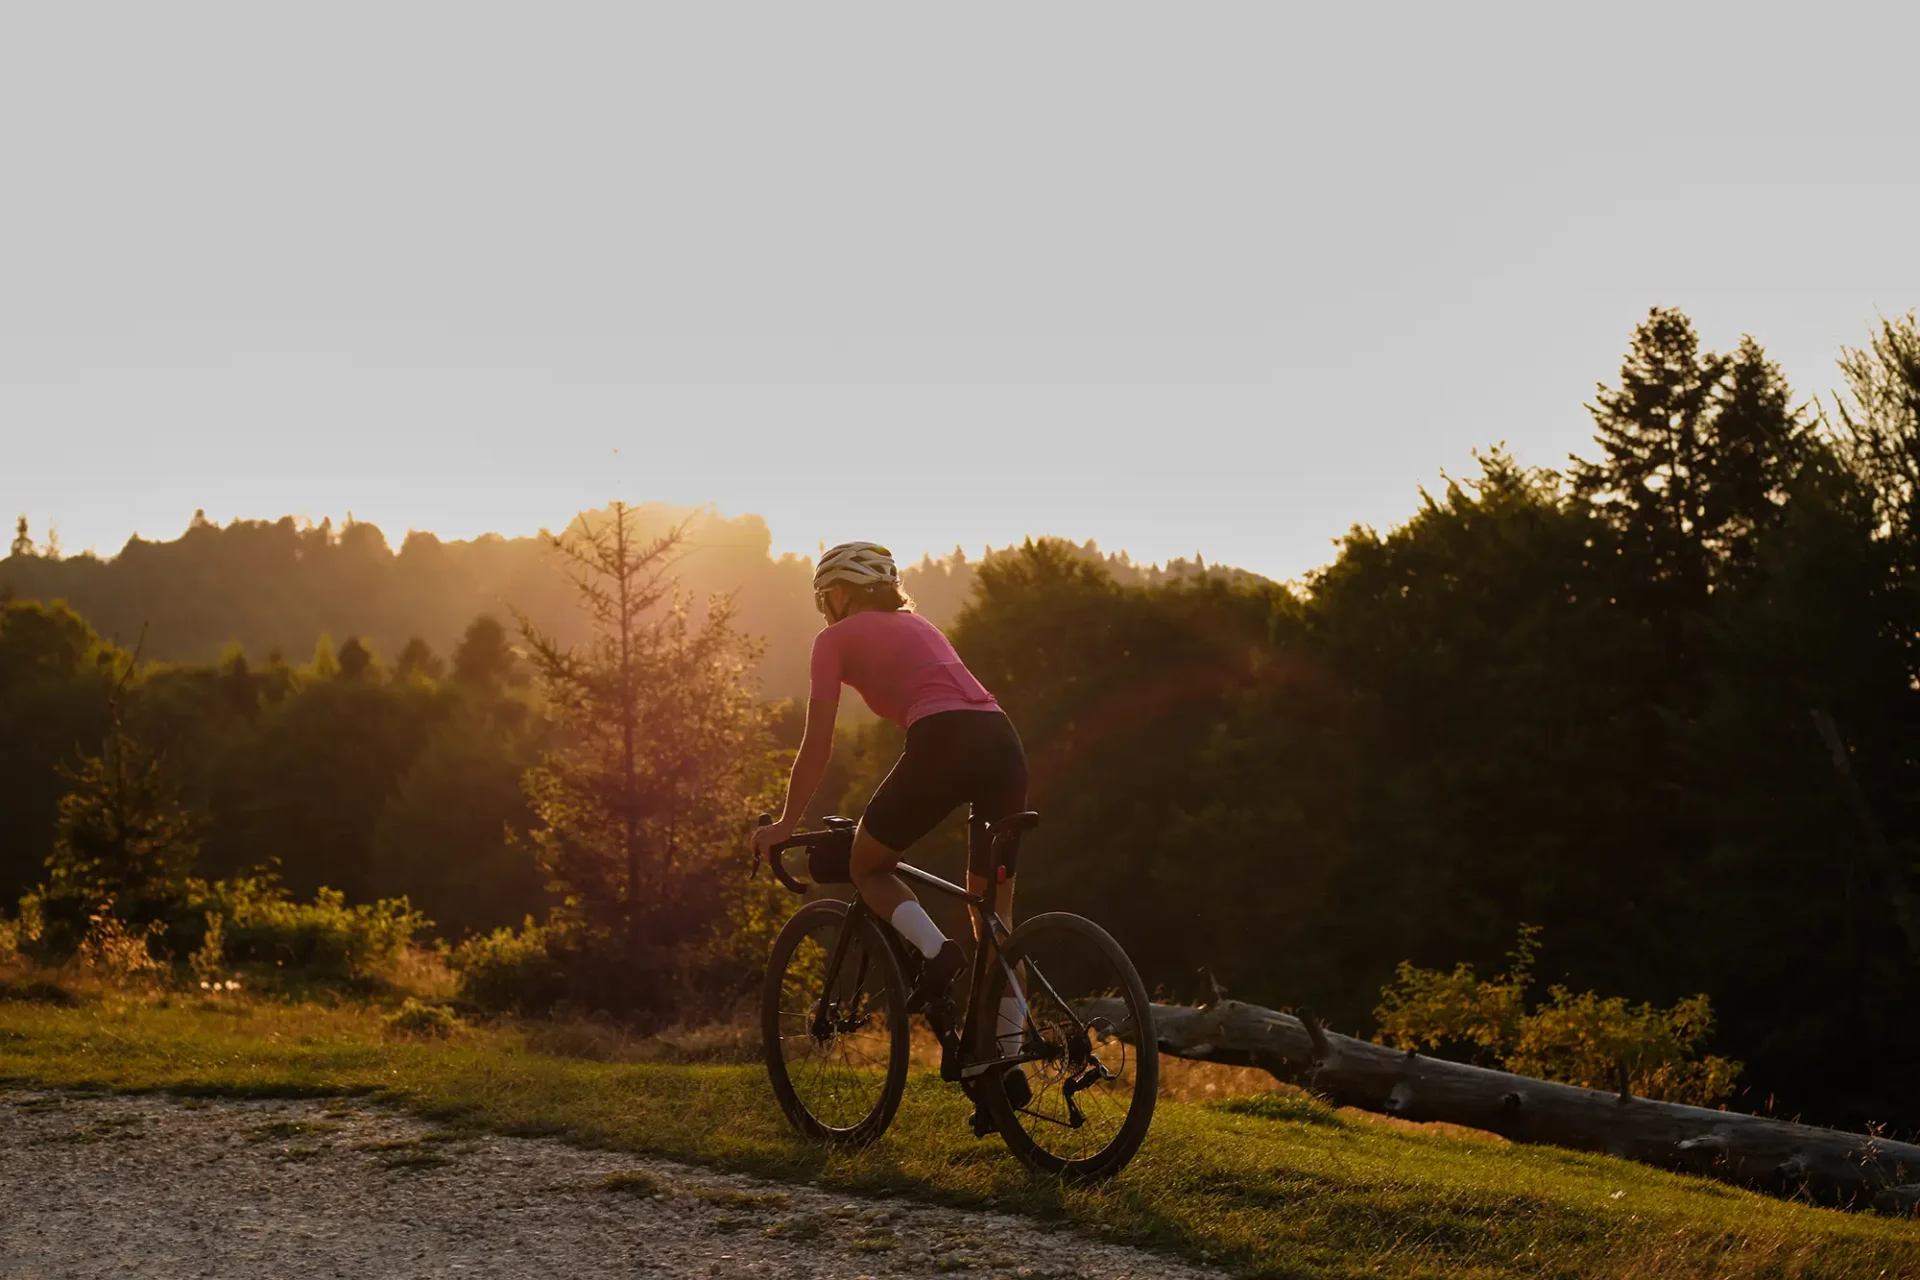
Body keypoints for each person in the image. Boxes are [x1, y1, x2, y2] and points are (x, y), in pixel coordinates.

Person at [751, 540, 1030, 1116]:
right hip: (1004, 744)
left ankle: (936, 953)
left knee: (867, 864)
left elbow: (818, 743)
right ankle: (1009, 1060)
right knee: (996, 919)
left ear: (842, 593)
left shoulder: (832, 640)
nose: (825, 609)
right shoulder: (921, 626)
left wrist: (785, 823)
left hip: (944, 743)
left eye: (826, 597)